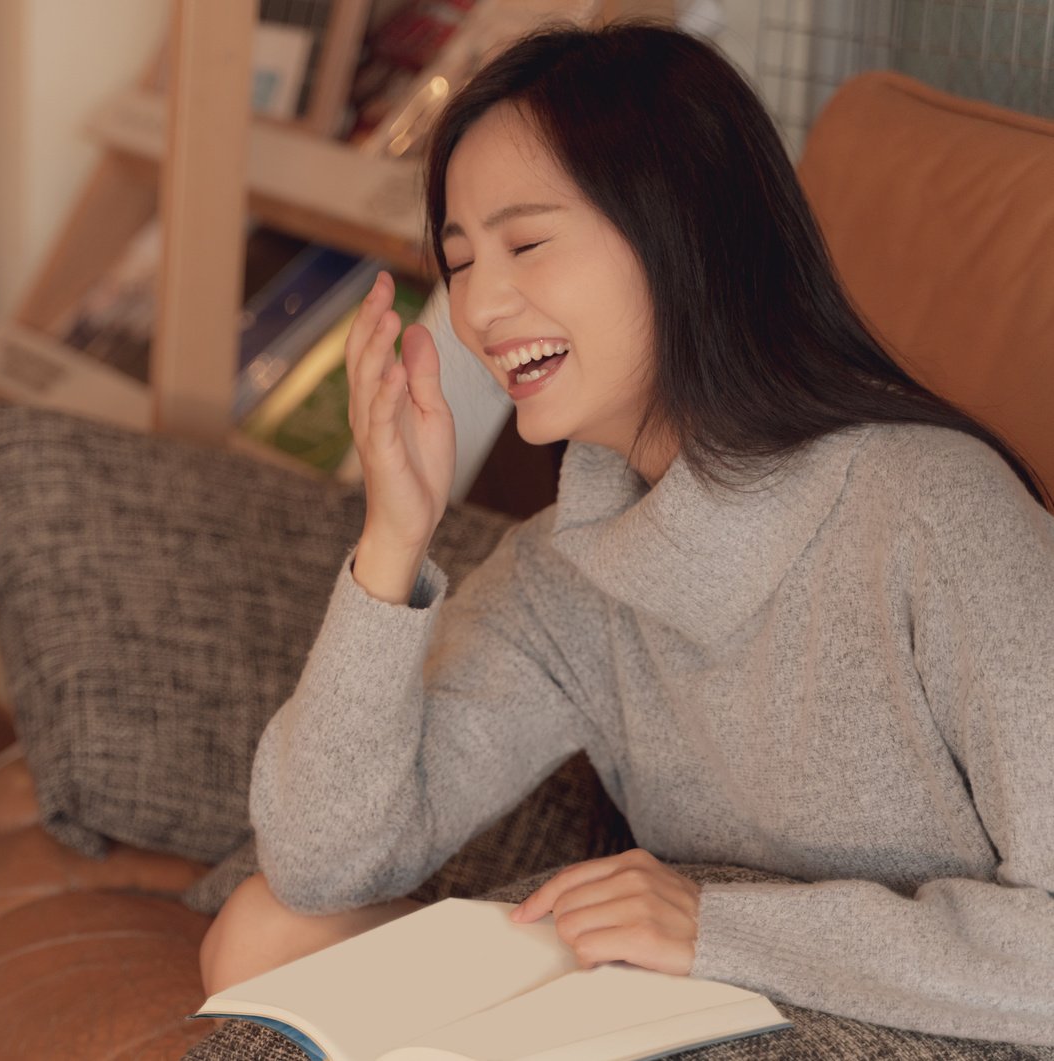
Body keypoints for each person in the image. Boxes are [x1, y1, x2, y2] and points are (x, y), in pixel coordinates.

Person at [197, 19, 1054, 1048]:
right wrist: (391, 539)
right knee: (264, 931)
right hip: (699, 992)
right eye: (459, 259)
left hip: (941, 1013)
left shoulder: (933, 512)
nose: (477, 304)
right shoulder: (570, 566)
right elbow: (320, 857)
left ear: (683, 229)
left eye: (524, 243)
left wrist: (718, 926)